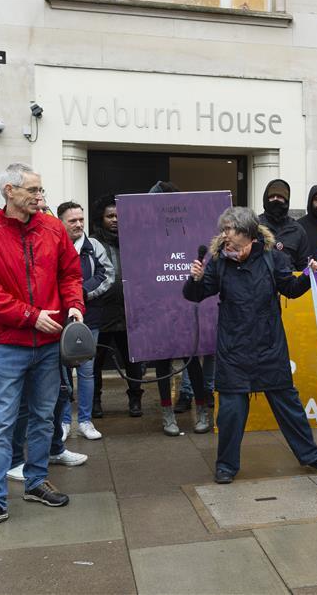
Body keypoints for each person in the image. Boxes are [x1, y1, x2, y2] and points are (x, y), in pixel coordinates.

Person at [0, 163, 84, 536]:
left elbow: (70, 274)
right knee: (1, 423)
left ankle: (35, 483)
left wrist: (74, 304)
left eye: (40, 189)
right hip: (8, 343)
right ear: (9, 192)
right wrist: (31, 316)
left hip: (48, 343)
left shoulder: (52, 228)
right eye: (32, 190)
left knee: (43, 418)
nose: (39, 196)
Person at [183, 207, 317, 484]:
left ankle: (311, 456)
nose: (225, 235)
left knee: (289, 407)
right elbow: (196, 295)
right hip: (234, 350)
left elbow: (291, 289)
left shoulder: (273, 259)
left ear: (247, 233)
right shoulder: (218, 262)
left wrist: (309, 276)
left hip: (269, 347)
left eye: (230, 230)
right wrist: (196, 279)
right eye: (223, 230)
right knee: (230, 413)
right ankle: (226, 466)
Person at [147, 180, 213, 436]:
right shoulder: (148, 229)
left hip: (185, 298)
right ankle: (167, 413)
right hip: (158, 300)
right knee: (162, 360)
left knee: (190, 358)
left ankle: (202, 410)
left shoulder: (187, 227)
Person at [57, 202, 114, 440]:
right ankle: (63, 422)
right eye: (73, 221)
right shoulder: (52, 244)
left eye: (81, 219)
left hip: (88, 319)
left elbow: (108, 275)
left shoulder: (94, 246)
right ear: (61, 222)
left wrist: (81, 293)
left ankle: (85, 421)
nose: (79, 224)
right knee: (60, 375)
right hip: (58, 320)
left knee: (87, 372)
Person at [91, 196, 145, 418]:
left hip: (128, 311)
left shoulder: (134, 242)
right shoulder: (92, 243)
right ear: (101, 218)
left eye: (118, 216)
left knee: (133, 360)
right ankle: (95, 402)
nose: (115, 220)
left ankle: (135, 399)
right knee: (95, 362)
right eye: (110, 216)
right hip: (101, 312)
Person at [257, 179, 310, 271]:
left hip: (289, 282)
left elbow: (304, 266)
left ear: (286, 200)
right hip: (261, 282)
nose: (275, 200)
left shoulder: (297, 230)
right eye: (272, 197)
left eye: (280, 197)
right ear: (266, 198)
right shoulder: (255, 225)